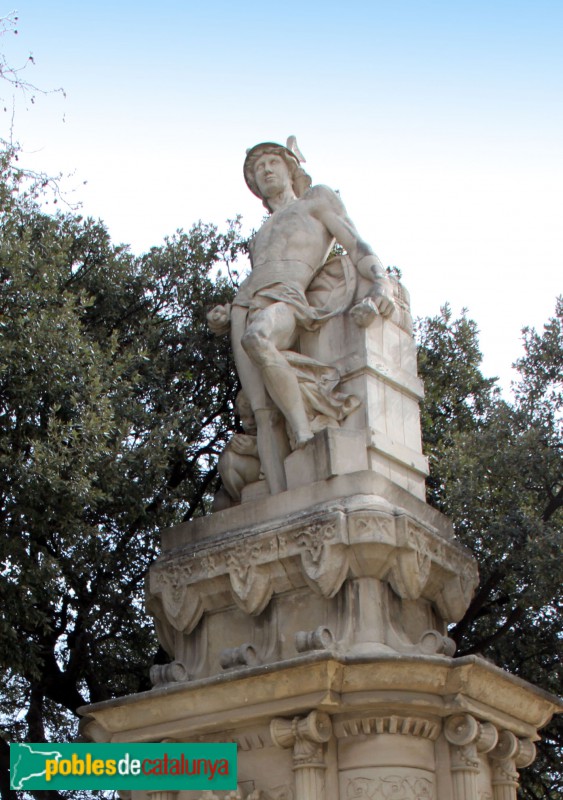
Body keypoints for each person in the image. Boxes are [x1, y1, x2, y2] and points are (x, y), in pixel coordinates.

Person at [210, 139, 395, 495]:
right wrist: (225, 312)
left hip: (287, 298)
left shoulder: (317, 201)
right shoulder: (261, 233)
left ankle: (303, 431)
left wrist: (381, 283)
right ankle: (278, 499)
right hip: (244, 306)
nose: (264, 170)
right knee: (262, 413)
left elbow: (356, 244)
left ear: (291, 167)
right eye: (257, 168)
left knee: (258, 339)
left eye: (271, 162)